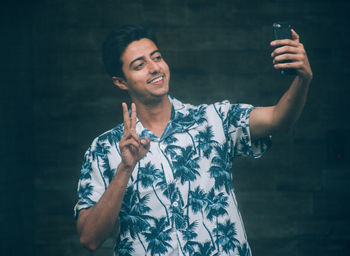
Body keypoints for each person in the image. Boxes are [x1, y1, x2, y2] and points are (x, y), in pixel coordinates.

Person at [74, 24, 312, 256]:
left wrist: (302, 79)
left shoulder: (213, 120)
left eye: (156, 57)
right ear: (120, 81)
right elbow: (90, 239)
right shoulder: (104, 149)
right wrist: (125, 168)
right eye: (139, 65)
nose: (154, 68)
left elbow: (279, 119)